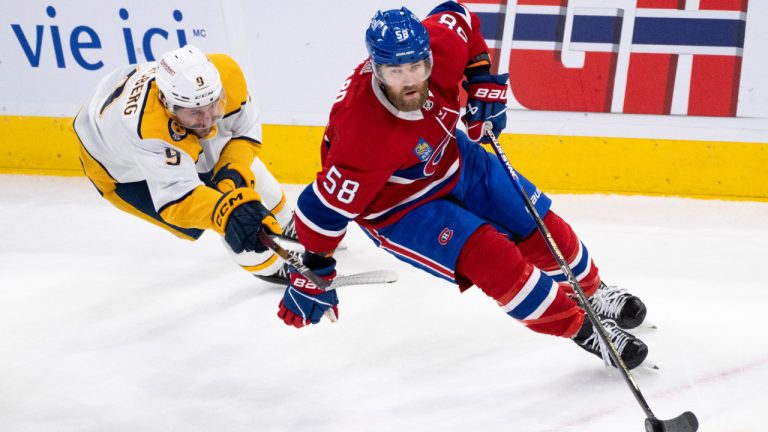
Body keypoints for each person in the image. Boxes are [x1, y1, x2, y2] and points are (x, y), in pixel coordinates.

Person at [276, 3, 651, 369]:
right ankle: (586, 330)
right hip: (399, 208)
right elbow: (318, 208)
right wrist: (315, 267)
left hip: (453, 158)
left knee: (535, 220)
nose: (409, 80)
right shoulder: (362, 133)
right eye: (394, 72)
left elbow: (459, 14)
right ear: (375, 68)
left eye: (416, 67)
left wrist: (481, 75)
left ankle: (593, 292)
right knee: (495, 258)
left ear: (428, 56)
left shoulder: (441, 44)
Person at [73, 44, 297, 283]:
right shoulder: (147, 128)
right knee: (222, 214)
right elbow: (177, 201)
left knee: (234, 170)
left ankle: (289, 224)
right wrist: (228, 211)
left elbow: (245, 134)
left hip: (126, 102)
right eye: (196, 112)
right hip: (117, 168)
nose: (208, 120)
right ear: (169, 106)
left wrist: (231, 175)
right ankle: (269, 268)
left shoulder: (227, 74)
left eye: (213, 106)